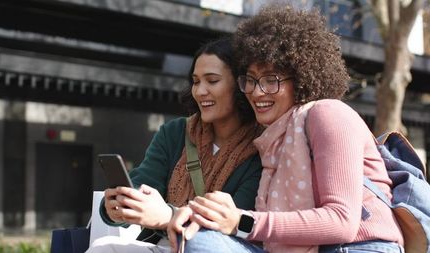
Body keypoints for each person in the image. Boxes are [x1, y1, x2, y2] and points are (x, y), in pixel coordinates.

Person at [167, 5, 404, 253]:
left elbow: (342, 221)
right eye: (251, 79)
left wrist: (240, 220)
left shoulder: (329, 114)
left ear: (303, 78)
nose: (257, 92)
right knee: (199, 240)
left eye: (272, 80)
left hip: (358, 247)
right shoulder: (274, 136)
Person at [86, 37, 263, 252]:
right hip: (164, 243)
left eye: (212, 81)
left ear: (240, 85)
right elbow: (143, 183)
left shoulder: (261, 146)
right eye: (196, 81)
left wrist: (167, 216)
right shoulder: (176, 132)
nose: (200, 91)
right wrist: (117, 207)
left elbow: (231, 222)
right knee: (103, 248)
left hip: (218, 246)